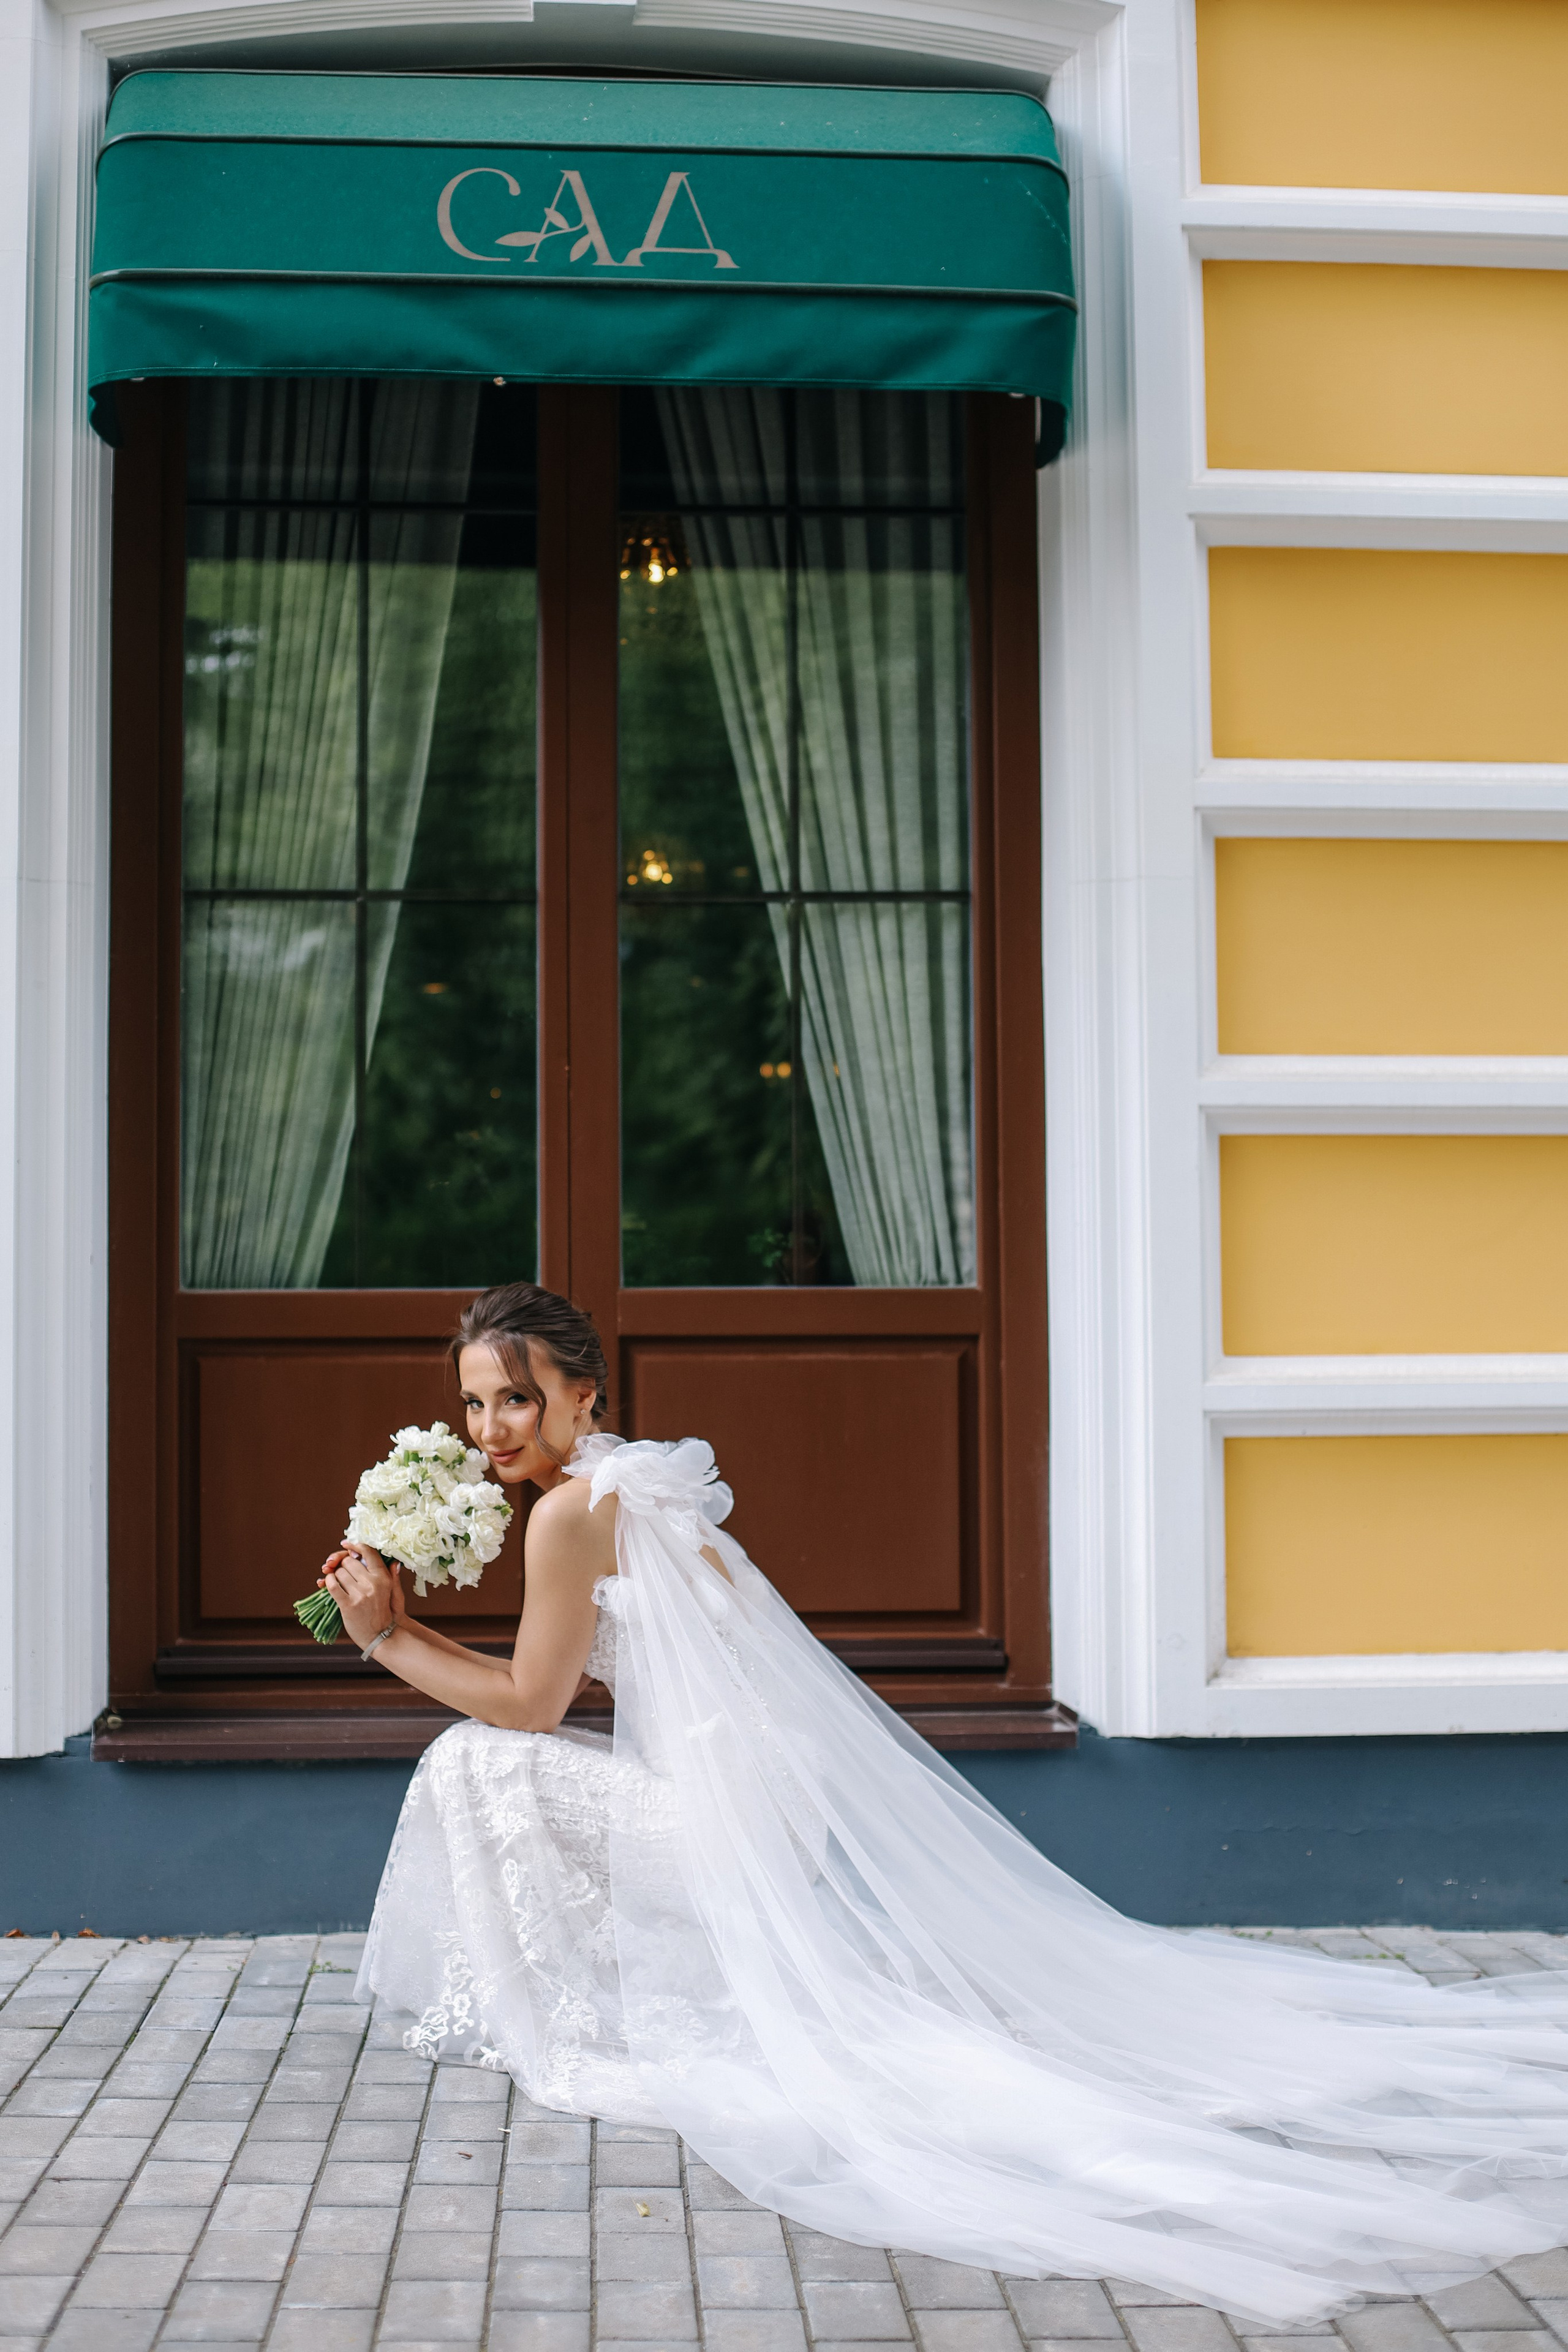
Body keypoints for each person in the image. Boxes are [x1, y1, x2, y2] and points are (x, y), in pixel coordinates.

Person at [320, 1281, 1568, 2328]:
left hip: (714, 1833)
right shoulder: (631, 1483)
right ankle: (613, 1988)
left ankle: (571, 2025)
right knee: (498, 1764)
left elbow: (532, 1712)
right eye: (475, 1399)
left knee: (472, 1765)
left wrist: (386, 1638)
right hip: (768, 1821)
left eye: (517, 1396)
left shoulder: (568, 1516)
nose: (489, 1425)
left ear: (584, 1395)